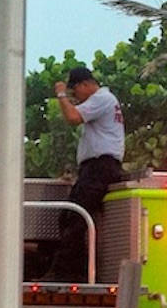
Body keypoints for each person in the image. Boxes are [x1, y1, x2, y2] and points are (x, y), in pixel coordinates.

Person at [50, 66, 124, 282]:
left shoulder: (102, 99)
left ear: (85, 84)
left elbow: (73, 117)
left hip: (101, 167)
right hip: (95, 168)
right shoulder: (104, 100)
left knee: (77, 216)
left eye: (76, 93)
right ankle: (77, 268)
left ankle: (66, 272)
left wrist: (61, 94)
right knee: (68, 216)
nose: (77, 98)